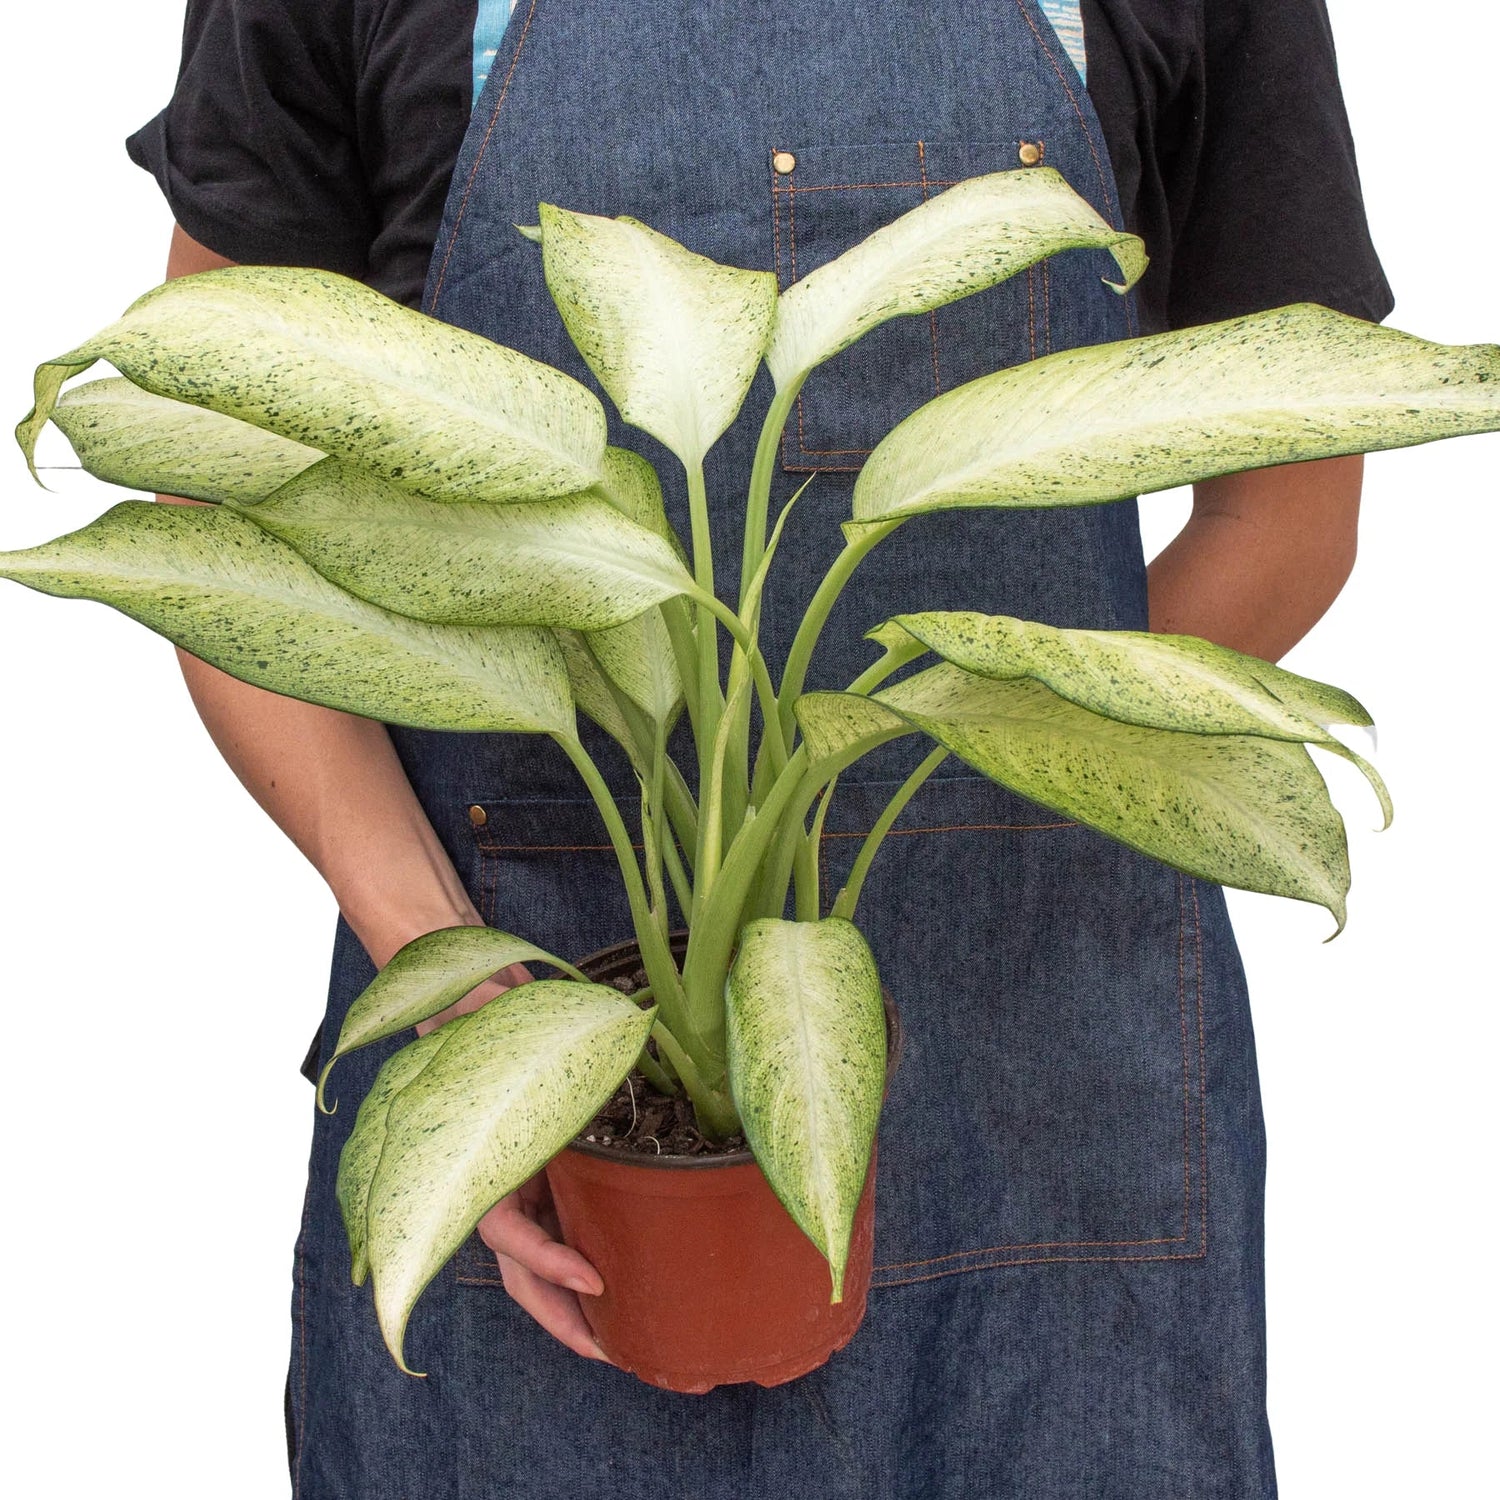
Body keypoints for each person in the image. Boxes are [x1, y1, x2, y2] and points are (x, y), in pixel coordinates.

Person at [120, 2, 1392, 1495]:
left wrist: (979, 740)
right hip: (552, 1089)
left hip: (1037, 1053)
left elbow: (1287, 514)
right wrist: (472, 1021)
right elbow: (210, 499)